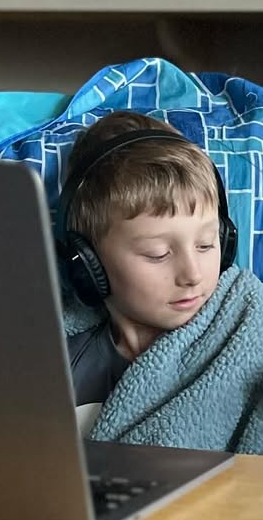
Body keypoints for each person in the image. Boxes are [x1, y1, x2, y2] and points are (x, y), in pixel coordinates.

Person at [59, 110, 231, 405]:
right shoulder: (59, 367)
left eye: (205, 245)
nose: (192, 275)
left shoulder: (242, 337)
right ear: (88, 264)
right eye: (158, 254)